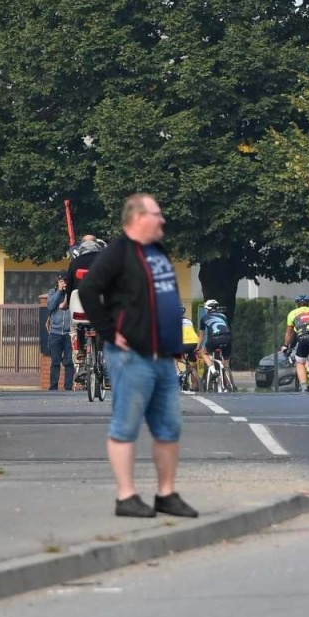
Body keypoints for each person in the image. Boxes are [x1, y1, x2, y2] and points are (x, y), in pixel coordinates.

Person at [76, 196, 198, 520]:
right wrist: (107, 330)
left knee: (169, 426)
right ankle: (126, 497)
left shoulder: (157, 252)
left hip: (163, 358)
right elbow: (89, 289)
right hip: (132, 357)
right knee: (125, 425)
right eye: (157, 215)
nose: (163, 221)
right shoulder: (118, 252)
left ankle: (166, 494)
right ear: (139, 218)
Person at [65, 234, 107, 375]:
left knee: (79, 324)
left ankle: (82, 352)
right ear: (97, 245)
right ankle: (104, 356)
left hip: (81, 307)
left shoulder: (75, 263)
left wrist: (66, 303)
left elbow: (69, 287)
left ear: (81, 247)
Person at [46, 276, 75, 391]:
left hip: (69, 332)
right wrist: (59, 291)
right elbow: (50, 306)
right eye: (61, 281)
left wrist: (68, 291)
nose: (64, 283)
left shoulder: (72, 293)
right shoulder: (53, 292)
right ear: (58, 282)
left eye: (65, 281)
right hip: (55, 332)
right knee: (55, 361)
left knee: (68, 361)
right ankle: (53, 387)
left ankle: (68, 387)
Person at [199, 300, 233, 380]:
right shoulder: (223, 316)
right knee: (226, 363)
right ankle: (227, 384)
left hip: (215, 339)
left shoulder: (204, 318)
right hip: (228, 338)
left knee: (204, 353)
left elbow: (202, 336)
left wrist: (198, 348)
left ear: (207, 309)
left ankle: (213, 371)